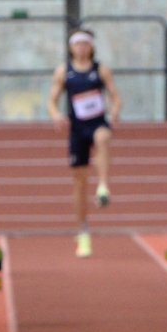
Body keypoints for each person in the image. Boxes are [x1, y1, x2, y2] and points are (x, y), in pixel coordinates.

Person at [48, 29, 119, 260]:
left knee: (103, 138)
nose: (81, 48)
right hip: (77, 130)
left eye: (85, 44)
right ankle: (83, 231)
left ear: (91, 47)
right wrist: (56, 114)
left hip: (97, 123)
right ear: (71, 48)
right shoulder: (64, 72)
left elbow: (115, 96)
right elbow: (52, 100)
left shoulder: (100, 70)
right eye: (77, 44)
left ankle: (103, 186)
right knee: (78, 182)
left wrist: (115, 111)